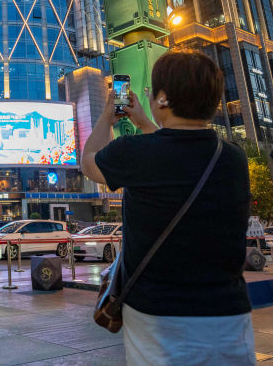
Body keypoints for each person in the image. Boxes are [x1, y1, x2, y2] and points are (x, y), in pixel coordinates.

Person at [82, 50, 253, 365]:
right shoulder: (233, 158)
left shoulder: (134, 152)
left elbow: (89, 163)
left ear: (162, 99)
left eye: (152, 92)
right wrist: (144, 122)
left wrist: (108, 116)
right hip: (229, 315)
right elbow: (175, 152)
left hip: (157, 318)